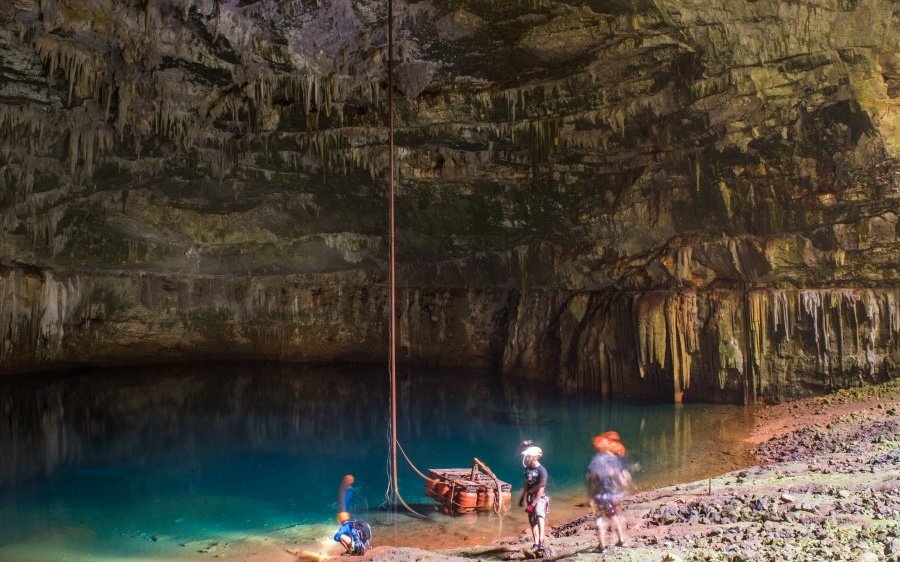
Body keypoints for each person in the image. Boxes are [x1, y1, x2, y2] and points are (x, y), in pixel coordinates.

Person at [586, 431, 631, 552]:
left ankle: (602, 547)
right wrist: (622, 488)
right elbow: (620, 479)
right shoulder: (613, 460)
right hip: (609, 495)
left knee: (599, 519)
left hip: (598, 496)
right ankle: (621, 540)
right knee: (614, 516)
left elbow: (590, 479)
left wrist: (590, 496)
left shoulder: (595, 461)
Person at [518, 445, 551, 556]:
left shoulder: (542, 471)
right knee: (532, 521)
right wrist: (523, 497)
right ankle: (536, 543)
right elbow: (526, 483)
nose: (526, 458)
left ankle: (541, 541)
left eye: (528, 456)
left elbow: (541, 489)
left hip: (540, 498)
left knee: (539, 514)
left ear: (534, 457)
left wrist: (533, 504)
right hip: (530, 498)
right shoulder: (527, 469)